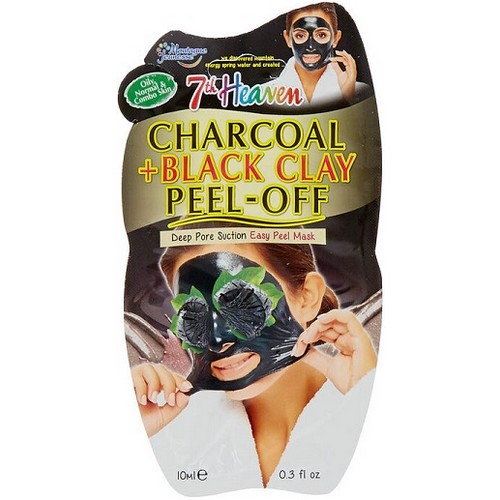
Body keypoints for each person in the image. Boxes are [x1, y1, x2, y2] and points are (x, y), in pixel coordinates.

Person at [130, 239, 378, 492]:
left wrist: (363, 401)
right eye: (193, 316)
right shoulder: (177, 432)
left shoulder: (361, 409)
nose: (217, 341)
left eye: (242, 302)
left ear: (307, 298)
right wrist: (135, 432)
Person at [267, 2, 370, 107]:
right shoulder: (264, 94)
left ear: (335, 38)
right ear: (288, 39)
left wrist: (349, 98)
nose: (310, 47)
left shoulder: (360, 92)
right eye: (300, 35)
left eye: (321, 35)